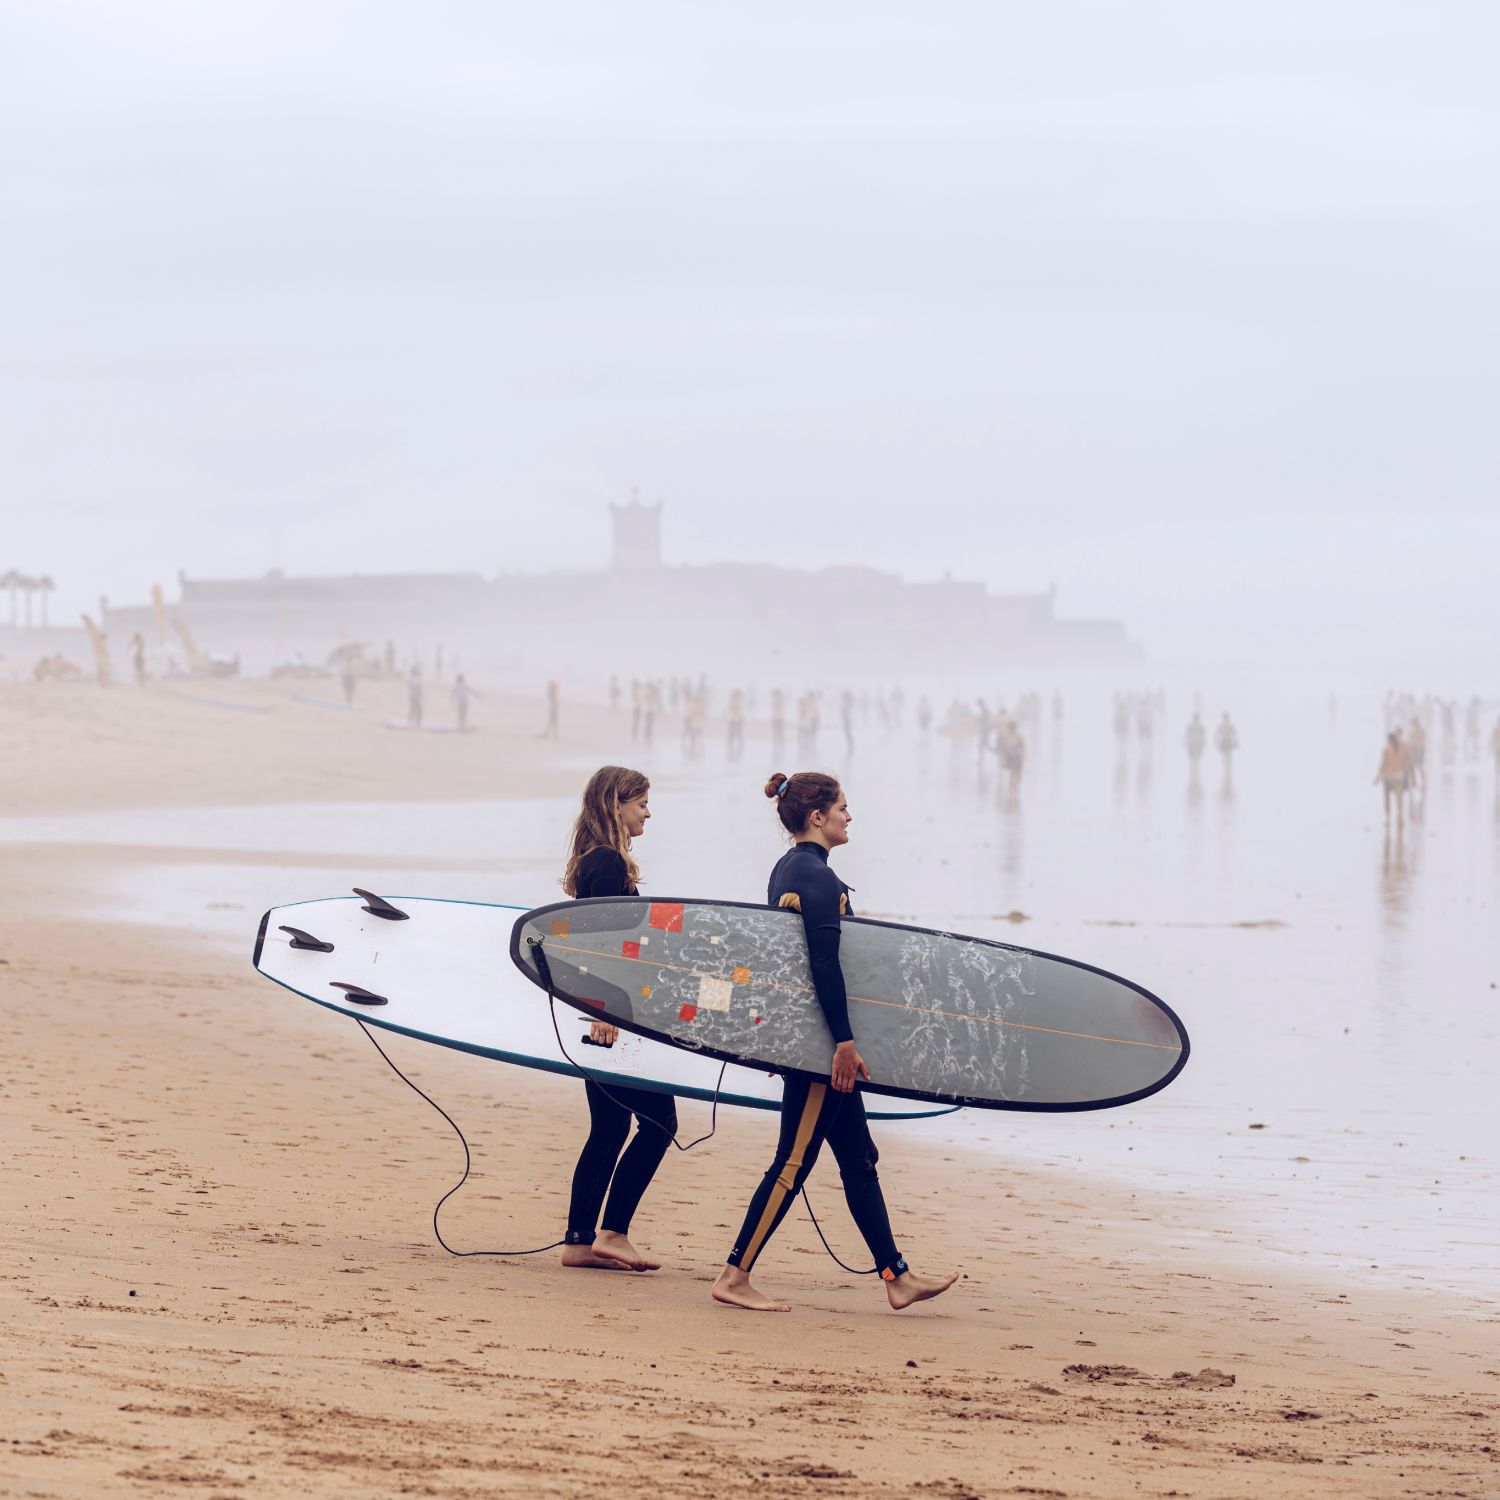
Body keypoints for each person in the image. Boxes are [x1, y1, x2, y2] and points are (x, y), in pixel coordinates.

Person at [711, 772, 960, 1313]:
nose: (850, 816)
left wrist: (785, 1036)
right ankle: (734, 1275)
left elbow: (784, 964)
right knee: (793, 1162)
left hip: (813, 1039)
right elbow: (823, 967)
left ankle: (897, 1276)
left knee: (858, 1157)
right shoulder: (816, 877)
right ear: (817, 816)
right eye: (843, 807)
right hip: (824, 1049)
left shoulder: (790, 868)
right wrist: (842, 1044)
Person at [560, 765, 675, 1271]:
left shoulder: (597, 859)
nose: (648, 812)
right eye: (641, 802)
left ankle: (580, 1243)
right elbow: (598, 943)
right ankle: (612, 1233)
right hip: (609, 1018)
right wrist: (603, 1011)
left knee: (609, 1128)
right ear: (617, 804)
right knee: (659, 1123)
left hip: (602, 1014)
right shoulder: (606, 862)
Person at [1374, 731, 1407, 825]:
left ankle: (1388, 818)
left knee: (1387, 798)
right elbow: (1403, 763)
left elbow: (1383, 764)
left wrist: (1378, 777)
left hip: (1388, 777)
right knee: (1399, 798)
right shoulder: (1400, 749)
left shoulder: (1386, 749)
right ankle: (1400, 816)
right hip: (1398, 776)